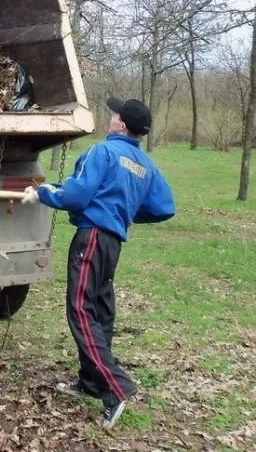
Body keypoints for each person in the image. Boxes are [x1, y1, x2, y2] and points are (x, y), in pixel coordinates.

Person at [21, 97, 175, 431]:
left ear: (121, 125)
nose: (111, 115)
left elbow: (76, 195)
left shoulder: (102, 152)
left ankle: (116, 388)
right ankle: (91, 383)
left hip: (91, 238)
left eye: (115, 113)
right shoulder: (144, 163)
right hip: (113, 242)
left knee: (80, 308)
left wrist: (44, 194)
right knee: (100, 310)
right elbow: (164, 207)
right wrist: (124, 211)